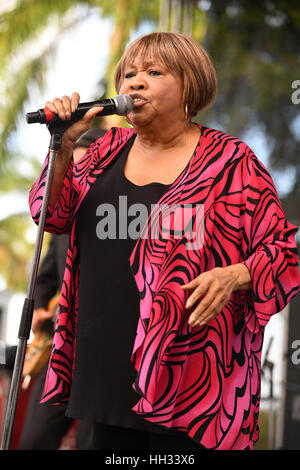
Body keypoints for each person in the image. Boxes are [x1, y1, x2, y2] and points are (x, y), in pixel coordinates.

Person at [28, 32, 300, 451]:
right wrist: (62, 145)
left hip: (191, 385)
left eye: (154, 73)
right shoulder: (103, 152)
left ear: (189, 86)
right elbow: (50, 213)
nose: (135, 83)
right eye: (129, 74)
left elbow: (286, 251)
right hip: (105, 379)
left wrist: (236, 274)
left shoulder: (231, 162)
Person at [18, 128, 106, 450]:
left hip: (104, 353)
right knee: (33, 441)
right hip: (60, 349)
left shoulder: (121, 218)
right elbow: (45, 279)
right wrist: (41, 308)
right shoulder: (61, 224)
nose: (78, 178)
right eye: (74, 169)